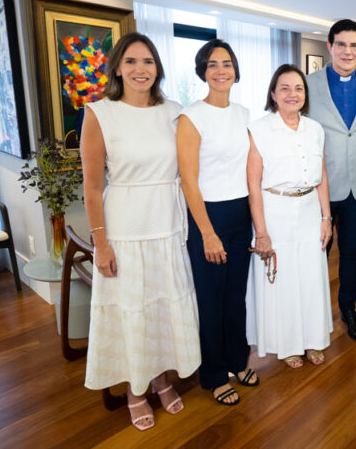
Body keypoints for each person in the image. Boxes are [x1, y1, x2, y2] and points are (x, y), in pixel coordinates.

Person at [81, 32, 200, 431]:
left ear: (157, 68)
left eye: (147, 61)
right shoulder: (100, 113)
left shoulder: (175, 111)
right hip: (125, 230)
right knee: (134, 311)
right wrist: (101, 243)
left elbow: (192, 167)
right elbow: (93, 187)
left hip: (167, 224)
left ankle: (161, 377)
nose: (139, 69)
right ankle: (136, 389)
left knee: (162, 305)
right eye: (130, 62)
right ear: (116, 67)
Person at [177, 39, 259, 406]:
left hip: (241, 214)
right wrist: (207, 233)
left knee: (236, 297)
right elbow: (188, 181)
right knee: (211, 300)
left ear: (236, 70)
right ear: (203, 72)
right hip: (207, 217)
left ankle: (237, 361)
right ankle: (213, 374)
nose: (221, 70)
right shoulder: (191, 116)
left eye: (227, 64)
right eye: (213, 65)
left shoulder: (243, 113)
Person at [246, 64, 333, 368]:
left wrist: (327, 218)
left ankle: (312, 340)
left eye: (298, 88)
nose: (292, 94)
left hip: (309, 209)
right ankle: (288, 345)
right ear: (273, 93)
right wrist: (261, 232)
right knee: (281, 281)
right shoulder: (258, 129)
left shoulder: (315, 129)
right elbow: (253, 185)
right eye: (284, 88)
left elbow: (321, 174)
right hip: (275, 210)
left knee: (310, 277)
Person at [306, 19, 356, 342]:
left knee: (351, 250)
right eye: (341, 44)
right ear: (330, 47)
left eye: (354, 45)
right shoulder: (308, 84)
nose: (347, 51)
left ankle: (348, 308)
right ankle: (312, 313)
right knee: (317, 251)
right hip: (319, 185)